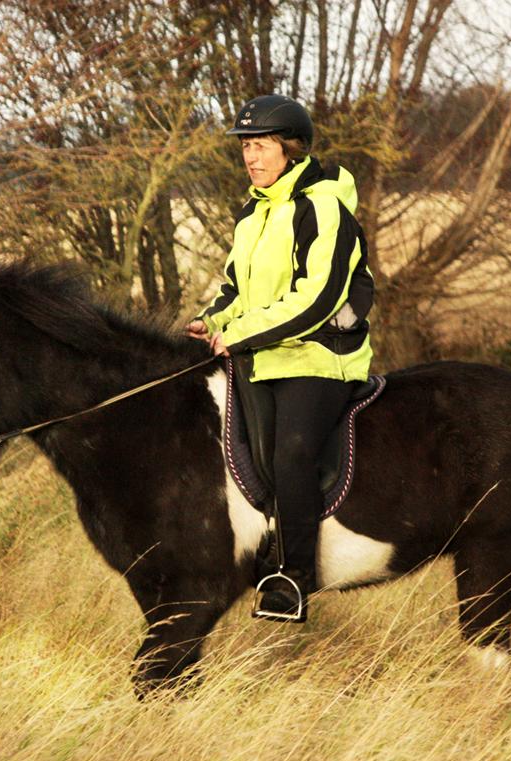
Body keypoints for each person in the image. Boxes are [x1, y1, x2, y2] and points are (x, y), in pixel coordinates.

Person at [186, 94, 374, 622]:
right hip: (263, 354)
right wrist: (212, 321)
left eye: (262, 146)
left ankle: (295, 578)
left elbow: (317, 299)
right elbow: (235, 289)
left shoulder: (324, 207)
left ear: (291, 149)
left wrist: (240, 334)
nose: (251, 157)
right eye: (246, 147)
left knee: (291, 452)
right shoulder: (253, 212)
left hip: (320, 356)